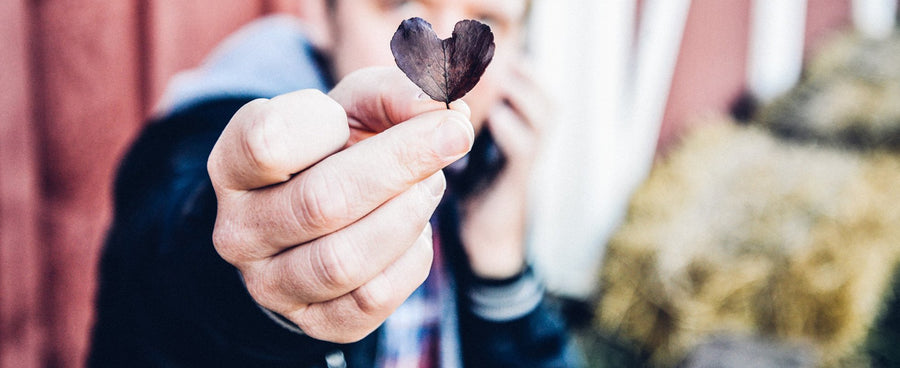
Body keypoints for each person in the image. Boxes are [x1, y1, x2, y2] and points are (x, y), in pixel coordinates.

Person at [89, 0, 581, 367]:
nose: (447, 46)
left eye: (488, 19)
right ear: (321, 15)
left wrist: (499, 271)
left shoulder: (481, 182)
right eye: (404, 4)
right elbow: (168, 255)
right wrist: (253, 279)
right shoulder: (216, 131)